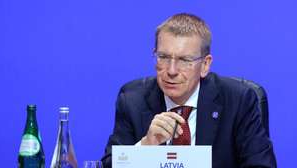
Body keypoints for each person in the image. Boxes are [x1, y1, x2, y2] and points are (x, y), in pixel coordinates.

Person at [101, 13, 277, 167]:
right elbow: (108, 165)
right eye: (163, 57)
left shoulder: (238, 100)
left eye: (184, 60)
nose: (171, 70)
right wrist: (146, 147)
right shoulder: (133, 100)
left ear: (205, 65)